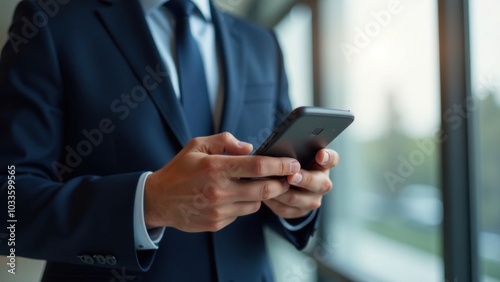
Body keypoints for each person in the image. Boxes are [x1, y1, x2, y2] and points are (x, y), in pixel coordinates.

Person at [0, 0, 338, 281]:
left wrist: (297, 199)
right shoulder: (51, 22)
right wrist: (148, 203)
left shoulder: (262, 43)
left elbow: (270, 176)